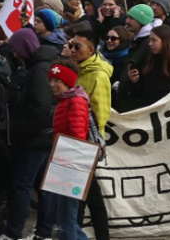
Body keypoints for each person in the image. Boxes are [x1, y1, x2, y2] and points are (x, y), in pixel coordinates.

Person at [4, 28, 59, 240]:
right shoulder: (41, 65)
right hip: (44, 136)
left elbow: (40, 108)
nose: (15, 54)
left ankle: (14, 232)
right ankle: (43, 231)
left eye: (16, 50)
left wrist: (20, 130)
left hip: (35, 139)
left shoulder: (39, 70)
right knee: (43, 185)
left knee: (23, 184)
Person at [66, 28, 113, 240]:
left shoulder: (98, 75)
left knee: (82, 194)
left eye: (78, 47)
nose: (72, 50)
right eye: (71, 45)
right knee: (85, 193)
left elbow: (100, 112)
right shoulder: (77, 69)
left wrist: (89, 142)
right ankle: (78, 232)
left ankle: (76, 232)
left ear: (91, 50)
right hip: (73, 140)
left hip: (84, 141)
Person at [46, 59, 92, 240]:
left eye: (57, 81)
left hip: (70, 166)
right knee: (66, 218)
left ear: (68, 82)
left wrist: (69, 166)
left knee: (66, 220)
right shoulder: (65, 101)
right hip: (64, 162)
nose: (52, 85)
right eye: (51, 80)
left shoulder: (75, 102)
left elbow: (78, 137)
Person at [116, 25, 170, 111]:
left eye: (154, 40)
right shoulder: (149, 63)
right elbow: (141, 92)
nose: (150, 44)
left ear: (165, 41)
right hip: (149, 113)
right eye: (150, 39)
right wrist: (134, 81)